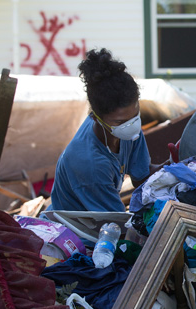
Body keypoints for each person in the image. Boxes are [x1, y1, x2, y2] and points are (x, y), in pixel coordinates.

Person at [50, 48, 152, 212]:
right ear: (95, 118)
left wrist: (173, 167)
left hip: (103, 222)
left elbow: (142, 178)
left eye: (134, 116)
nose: (131, 126)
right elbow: (116, 224)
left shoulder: (128, 130)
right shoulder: (89, 162)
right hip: (76, 232)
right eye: (120, 121)